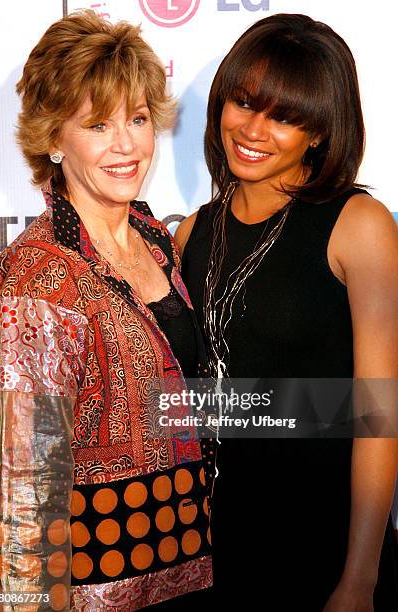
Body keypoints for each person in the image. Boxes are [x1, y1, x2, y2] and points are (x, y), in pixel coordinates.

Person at [0, 11, 214, 611]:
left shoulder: (153, 237)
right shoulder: (39, 278)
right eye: (97, 125)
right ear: (52, 140)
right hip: (99, 593)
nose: (126, 145)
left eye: (138, 120)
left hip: (188, 570)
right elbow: (29, 493)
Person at [176, 13, 398, 611]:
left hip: (321, 550)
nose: (253, 129)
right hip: (212, 550)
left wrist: (359, 579)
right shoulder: (194, 231)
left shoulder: (358, 226)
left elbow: (380, 413)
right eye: (244, 102)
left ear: (320, 132)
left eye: (285, 115)